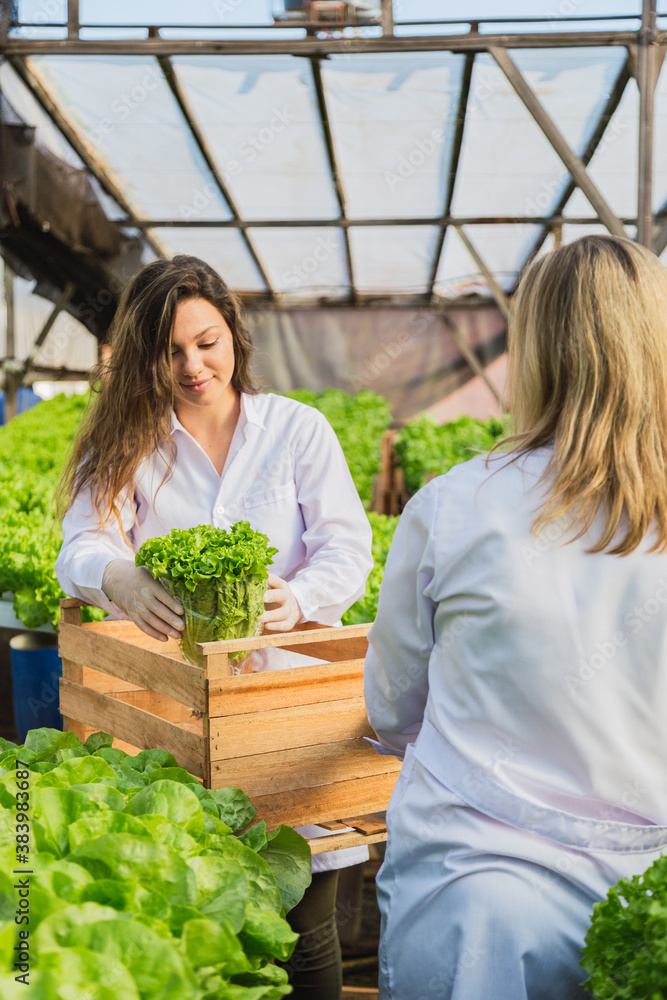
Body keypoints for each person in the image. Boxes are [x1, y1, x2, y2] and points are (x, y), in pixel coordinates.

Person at [55, 254, 373, 1000]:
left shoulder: (295, 430)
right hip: (173, 712)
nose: (194, 365)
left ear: (233, 332)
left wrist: (296, 599)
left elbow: (348, 548)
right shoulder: (127, 442)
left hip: (285, 714)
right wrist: (121, 578)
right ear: (142, 358)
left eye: (207, 341)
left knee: (305, 921)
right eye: (170, 352)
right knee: (207, 918)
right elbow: (81, 546)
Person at [364, 235, 667, 1000]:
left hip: (477, 902)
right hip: (649, 900)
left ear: (532, 348)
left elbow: (392, 709)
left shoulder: (454, 505)